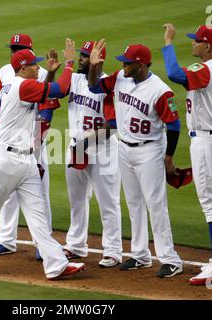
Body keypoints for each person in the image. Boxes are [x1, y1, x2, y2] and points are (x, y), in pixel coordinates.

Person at [0, 40, 86, 279]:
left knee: (37, 216)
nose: (38, 68)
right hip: (4, 159)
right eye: (34, 65)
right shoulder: (21, 87)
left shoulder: (19, 84)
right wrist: (69, 64)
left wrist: (51, 72)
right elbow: (59, 90)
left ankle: (56, 264)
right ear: (23, 68)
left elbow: (42, 93)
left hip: (25, 161)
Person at [89, 41, 183, 278]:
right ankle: (141, 255)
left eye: (127, 61)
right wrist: (93, 67)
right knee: (133, 202)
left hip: (150, 150)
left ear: (140, 65)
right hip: (124, 147)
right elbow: (94, 87)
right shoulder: (121, 76)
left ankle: (170, 259)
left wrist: (168, 157)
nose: (123, 64)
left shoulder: (160, 90)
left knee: (155, 204)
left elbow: (174, 125)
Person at [162, 23, 212, 285]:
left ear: (207, 46)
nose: (192, 43)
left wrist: (168, 42)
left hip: (208, 141)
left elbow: (173, 73)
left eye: (196, 41)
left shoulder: (206, 69)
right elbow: (197, 87)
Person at [0, 34, 58, 260]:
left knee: (39, 192)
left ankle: (42, 243)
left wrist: (40, 136)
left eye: (20, 48)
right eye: (13, 48)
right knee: (8, 194)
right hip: (9, 138)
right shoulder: (6, 71)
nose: (15, 52)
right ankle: (6, 240)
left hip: (32, 136)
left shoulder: (41, 72)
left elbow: (48, 105)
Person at [62, 41, 123, 268]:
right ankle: (76, 245)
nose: (81, 58)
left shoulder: (107, 86)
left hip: (103, 150)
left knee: (108, 202)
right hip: (75, 147)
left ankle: (113, 250)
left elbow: (112, 126)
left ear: (97, 60)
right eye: (82, 54)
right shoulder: (76, 79)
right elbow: (56, 90)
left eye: (86, 56)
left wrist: (86, 143)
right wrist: (67, 62)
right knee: (77, 200)